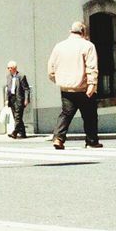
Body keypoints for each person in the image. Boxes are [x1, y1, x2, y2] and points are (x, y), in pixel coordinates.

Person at [47, 21, 101, 150]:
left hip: (66, 87)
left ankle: (58, 138)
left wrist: (57, 79)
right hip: (83, 87)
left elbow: (51, 68)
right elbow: (91, 66)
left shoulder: (59, 46)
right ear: (83, 32)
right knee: (90, 115)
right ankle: (91, 141)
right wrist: (92, 84)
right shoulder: (88, 46)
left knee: (66, 114)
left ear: (70, 31)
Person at [3, 61, 31, 139]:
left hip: (19, 99)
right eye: (8, 68)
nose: (9, 69)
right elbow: (7, 88)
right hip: (11, 98)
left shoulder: (21, 76)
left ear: (15, 68)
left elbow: (26, 89)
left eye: (10, 68)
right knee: (16, 116)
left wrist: (26, 99)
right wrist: (7, 99)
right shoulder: (8, 76)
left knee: (18, 116)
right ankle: (23, 133)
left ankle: (15, 132)